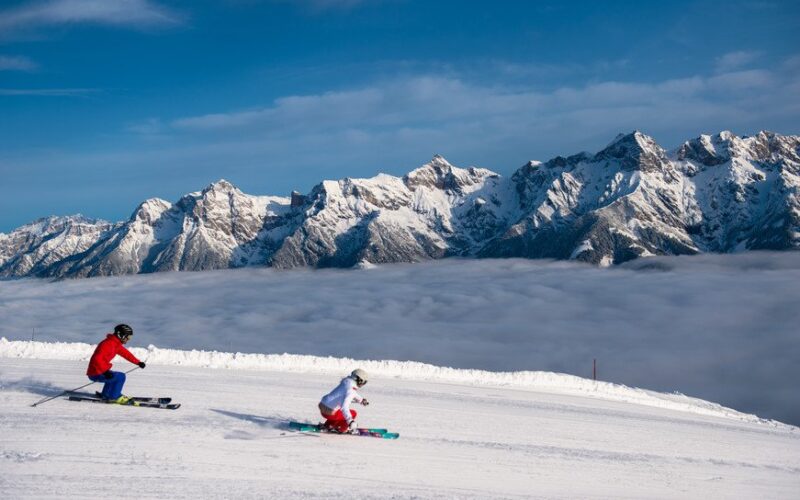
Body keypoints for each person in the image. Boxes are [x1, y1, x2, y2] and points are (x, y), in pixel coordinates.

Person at [86, 324, 146, 404]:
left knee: (113, 376)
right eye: (127, 337)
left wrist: (138, 362)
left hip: (99, 370)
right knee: (120, 377)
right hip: (96, 372)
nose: (128, 340)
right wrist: (105, 371)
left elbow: (126, 354)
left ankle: (106, 394)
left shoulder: (115, 344)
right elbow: (97, 359)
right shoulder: (108, 344)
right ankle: (115, 397)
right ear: (120, 335)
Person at [319, 369, 370, 433]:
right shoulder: (351, 389)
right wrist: (350, 421)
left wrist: (361, 400)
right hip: (330, 413)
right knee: (353, 413)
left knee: (338, 411)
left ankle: (329, 425)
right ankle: (342, 428)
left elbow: (352, 393)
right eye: (363, 382)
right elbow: (344, 407)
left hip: (322, 405)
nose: (362, 384)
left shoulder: (347, 383)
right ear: (359, 380)